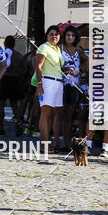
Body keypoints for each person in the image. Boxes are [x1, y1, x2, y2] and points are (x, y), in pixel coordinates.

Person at [56, 26, 88, 151]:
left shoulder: (79, 50)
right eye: (68, 35)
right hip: (62, 84)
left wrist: (82, 73)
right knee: (62, 115)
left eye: (72, 35)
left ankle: (73, 144)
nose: (70, 37)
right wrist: (65, 69)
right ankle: (62, 143)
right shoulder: (59, 49)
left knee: (74, 115)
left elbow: (86, 61)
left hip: (75, 86)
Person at [35, 25, 65, 155]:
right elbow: (38, 66)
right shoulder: (44, 47)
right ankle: (45, 144)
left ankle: (53, 143)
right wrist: (40, 84)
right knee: (45, 114)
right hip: (47, 82)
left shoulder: (58, 49)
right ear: (47, 35)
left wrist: (66, 70)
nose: (54, 36)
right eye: (52, 34)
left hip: (58, 82)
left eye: (57, 34)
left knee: (55, 114)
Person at [0, 35, 27, 137]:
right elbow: (24, 69)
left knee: (0, 105)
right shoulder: (19, 56)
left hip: (4, 80)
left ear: (5, 44)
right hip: (15, 81)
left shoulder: (2, 54)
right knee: (15, 106)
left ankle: (0, 128)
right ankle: (19, 125)